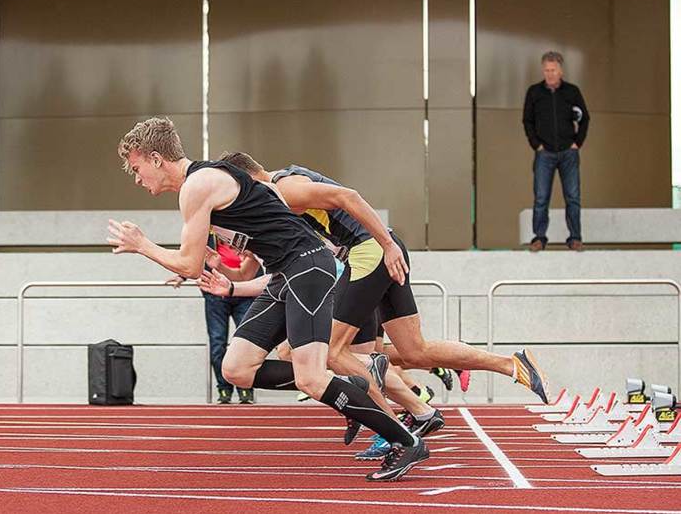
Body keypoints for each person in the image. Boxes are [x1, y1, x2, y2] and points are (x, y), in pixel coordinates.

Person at [109, 117, 428, 482]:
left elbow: (188, 262)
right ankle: (345, 386)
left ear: (155, 158)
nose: (137, 179)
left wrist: (143, 245)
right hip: (284, 273)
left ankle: (405, 440)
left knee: (310, 379)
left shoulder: (197, 185)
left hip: (307, 267)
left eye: (137, 169)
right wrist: (216, 269)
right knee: (236, 369)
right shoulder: (208, 183)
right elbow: (223, 256)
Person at [211, 153, 550, 407]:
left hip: (370, 253)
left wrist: (386, 246)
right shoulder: (284, 192)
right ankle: (512, 365)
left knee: (328, 350)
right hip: (378, 249)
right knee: (415, 351)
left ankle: (397, 417)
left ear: (247, 181)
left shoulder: (288, 188)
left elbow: (349, 197)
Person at [167, 236, 256, 404]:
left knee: (245, 343)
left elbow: (252, 267)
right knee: (217, 343)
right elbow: (196, 256)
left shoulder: (245, 235)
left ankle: (245, 389)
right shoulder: (208, 237)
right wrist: (182, 276)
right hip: (216, 296)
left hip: (244, 293)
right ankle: (224, 389)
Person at [523, 50, 590, 252]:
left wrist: (577, 142)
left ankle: (575, 238)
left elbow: (584, 118)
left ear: (561, 71)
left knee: (573, 196)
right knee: (541, 197)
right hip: (545, 153)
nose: (549, 74)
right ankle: (539, 238)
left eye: (553, 70)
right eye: (546, 70)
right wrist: (537, 145)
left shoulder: (572, 91)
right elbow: (527, 121)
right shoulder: (534, 92)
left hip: (568, 153)